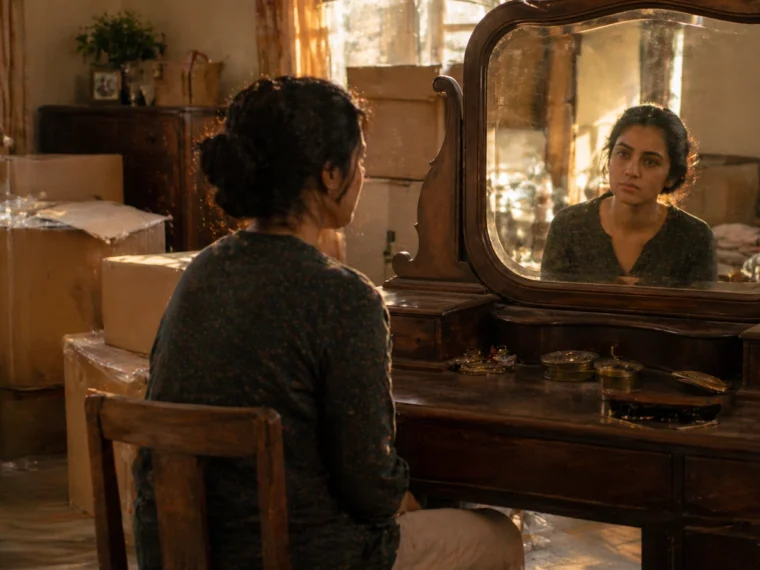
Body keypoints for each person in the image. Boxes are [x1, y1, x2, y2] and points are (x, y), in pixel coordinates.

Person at [132, 76, 524, 570]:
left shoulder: (200, 271)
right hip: (300, 557)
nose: (363, 174)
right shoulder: (344, 295)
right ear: (331, 174)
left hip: (174, 551)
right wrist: (402, 498)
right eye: (360, 159)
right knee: (498, 535)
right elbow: (369, 487)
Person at [540, 104, 717, 287]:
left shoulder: (694, 237)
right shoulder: (570, 225)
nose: (631, 171)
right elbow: (547, 302)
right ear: (609, 158)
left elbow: (701, 304)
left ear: (671, 177)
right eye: (623, 154)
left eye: (650, 162)